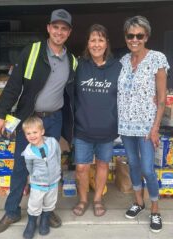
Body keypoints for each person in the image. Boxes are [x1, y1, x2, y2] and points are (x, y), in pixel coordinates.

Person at [0, 9, 77, 234]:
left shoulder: (72, 60)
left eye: (64, 28)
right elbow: (13, 85)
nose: (59, 32)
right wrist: (1, 114)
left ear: (69, 32)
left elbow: (73, 96)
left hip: (54, 120)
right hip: (30, 119)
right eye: (55, 27)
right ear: (48, 28)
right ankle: (11, 211)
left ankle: (47, 210)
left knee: (50, 167)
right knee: (21, 166)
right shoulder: (32, 52)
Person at [117, 15, 169, 233]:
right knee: (133, 165)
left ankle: (155, 210)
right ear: (126, 37)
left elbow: (162, 97)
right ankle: (139, 202)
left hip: (147, 126)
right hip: (126, 125)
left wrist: (156, 127)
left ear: (146, 36)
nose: (135, 39)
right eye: (130, 35)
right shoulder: (122, 61)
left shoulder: (157, 58)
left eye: (139, 35)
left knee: (147, 168)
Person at [72, 24, 121, 217]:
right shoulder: (78, 65)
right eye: (93, 40)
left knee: (102, 165)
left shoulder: (117, 67)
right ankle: (83, 199)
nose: (96, 44)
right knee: (82, 167)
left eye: (100, 40)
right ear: (88, 43)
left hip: (107, 128)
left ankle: (98, 199)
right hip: (83, 128)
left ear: (106, 43)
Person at [21, 116, 61, 239]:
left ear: (42, 131)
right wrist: (35, 177)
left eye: (35, 132)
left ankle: (45, 219)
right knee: (34, 204)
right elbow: (30, 167)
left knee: (50, 202)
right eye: (28, 133)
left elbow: (58, 155)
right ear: (25, 135)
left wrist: (57, 170)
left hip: (53, 182)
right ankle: (32, 222)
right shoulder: (28, 152)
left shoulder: (52, 142)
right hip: (38, 184)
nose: (32, 136)